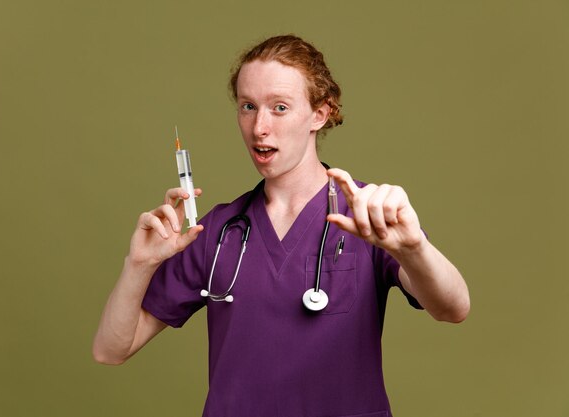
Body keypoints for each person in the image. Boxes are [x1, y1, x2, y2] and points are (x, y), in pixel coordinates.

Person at [93, 35, 470, 417]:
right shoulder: (220, 232)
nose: (259, 127)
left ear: (320, 114)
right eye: (248, 106)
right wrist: (137, 265)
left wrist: (413, 249)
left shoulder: (368, 215)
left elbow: (453, 307)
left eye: (280, 108)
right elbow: (110, 349)